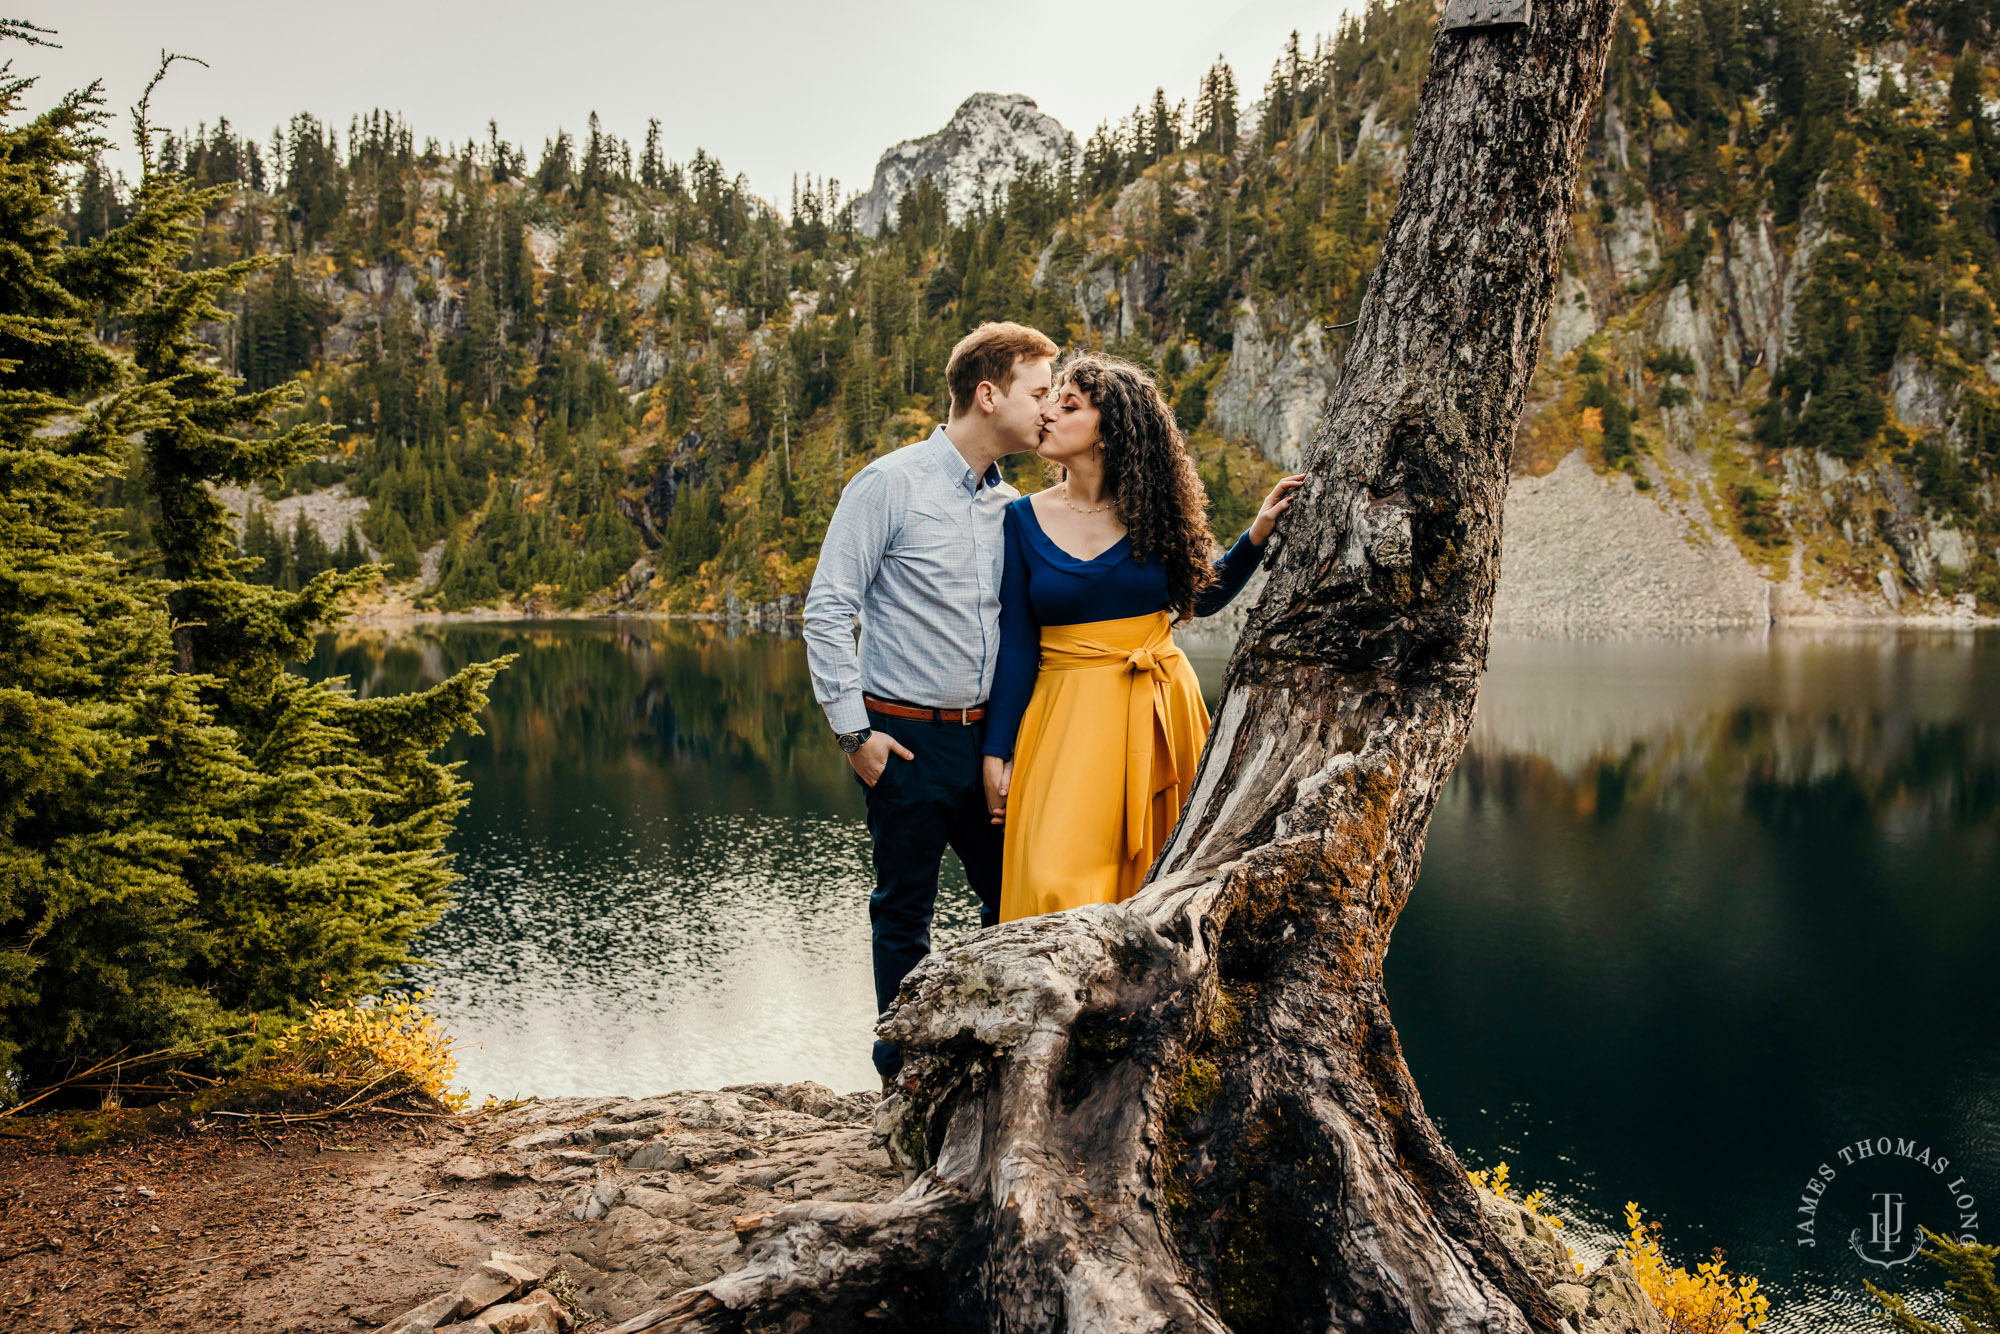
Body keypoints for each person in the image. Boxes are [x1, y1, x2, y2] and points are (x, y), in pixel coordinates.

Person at [803, 320, 1060, 1085]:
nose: (1047, 409)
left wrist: (1003, 744)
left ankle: (991, 1068)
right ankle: (900, 1077)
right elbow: (826, 610)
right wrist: (856, 738)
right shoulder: (890, 484)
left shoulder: (1009, 505)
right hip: (904, 743)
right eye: (1038, 392)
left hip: (989, 748)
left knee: (1013, 906)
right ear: (989, 394)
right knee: (903, 916)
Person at [980, 352, 1305, 920]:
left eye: (1069, 403)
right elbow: (1016, 644)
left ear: (1109, 431)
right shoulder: (1022, 519)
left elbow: (1199, 597)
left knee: (1160, 887)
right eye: (1050, 398)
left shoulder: (1153, 514)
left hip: (1159, 714)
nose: (1047, 412)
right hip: (1064, 721)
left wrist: (1254, 536)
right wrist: (996, 750)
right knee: (1052, 882)